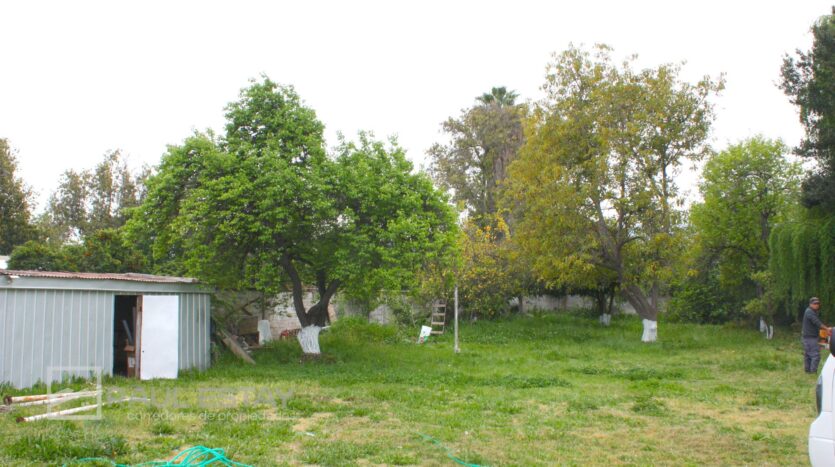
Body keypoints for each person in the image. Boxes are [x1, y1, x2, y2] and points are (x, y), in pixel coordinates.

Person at [803, 297, 831, 374]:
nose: (816, 305)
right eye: (815, 303)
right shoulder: (809, 312)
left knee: (808, 354)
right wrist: (827, 329)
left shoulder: (812, 311)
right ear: (810, 304)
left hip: (808, 337)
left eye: (818, 303)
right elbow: (817, 322)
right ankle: (813, 372)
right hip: (810, 337)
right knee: (815, 355)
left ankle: (808, 371)